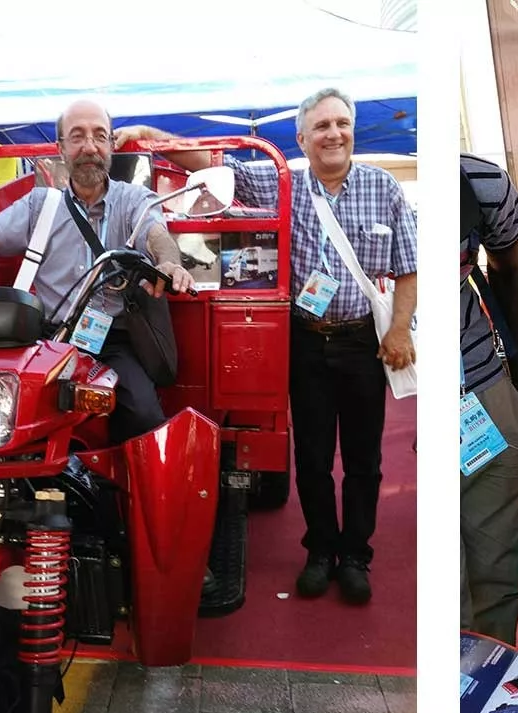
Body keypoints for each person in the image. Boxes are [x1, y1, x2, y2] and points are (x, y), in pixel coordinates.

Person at [127, 90, 418, 605]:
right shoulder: (281, 179)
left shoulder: (384, 187)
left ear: (352, 131)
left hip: (361, 343)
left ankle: (355, 555)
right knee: (309, 457)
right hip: (305, 341)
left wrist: (397, 331)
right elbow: (216, 163)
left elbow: (409, 268)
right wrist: (151, 142)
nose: (334, 134)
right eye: (322, 126)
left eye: (341, 123)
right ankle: (320, 550)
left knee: (364, 460)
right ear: (302, 138)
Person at [0, 98, 195, 444]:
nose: (89, 146)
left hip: (113, 340)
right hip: (50, 340)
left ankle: (123, 492)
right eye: (77, 137)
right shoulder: (39, 204)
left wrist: (169, 263)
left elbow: (157, 235)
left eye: (98, 135)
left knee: (144, 416)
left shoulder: (133, 199)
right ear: (61, 147)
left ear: (109, 145)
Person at [458, 153, 518, 640]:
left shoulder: (482, 182)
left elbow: (508, 267)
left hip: (485, 393)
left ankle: (488, 698)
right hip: (413, 393)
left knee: (497, 568)